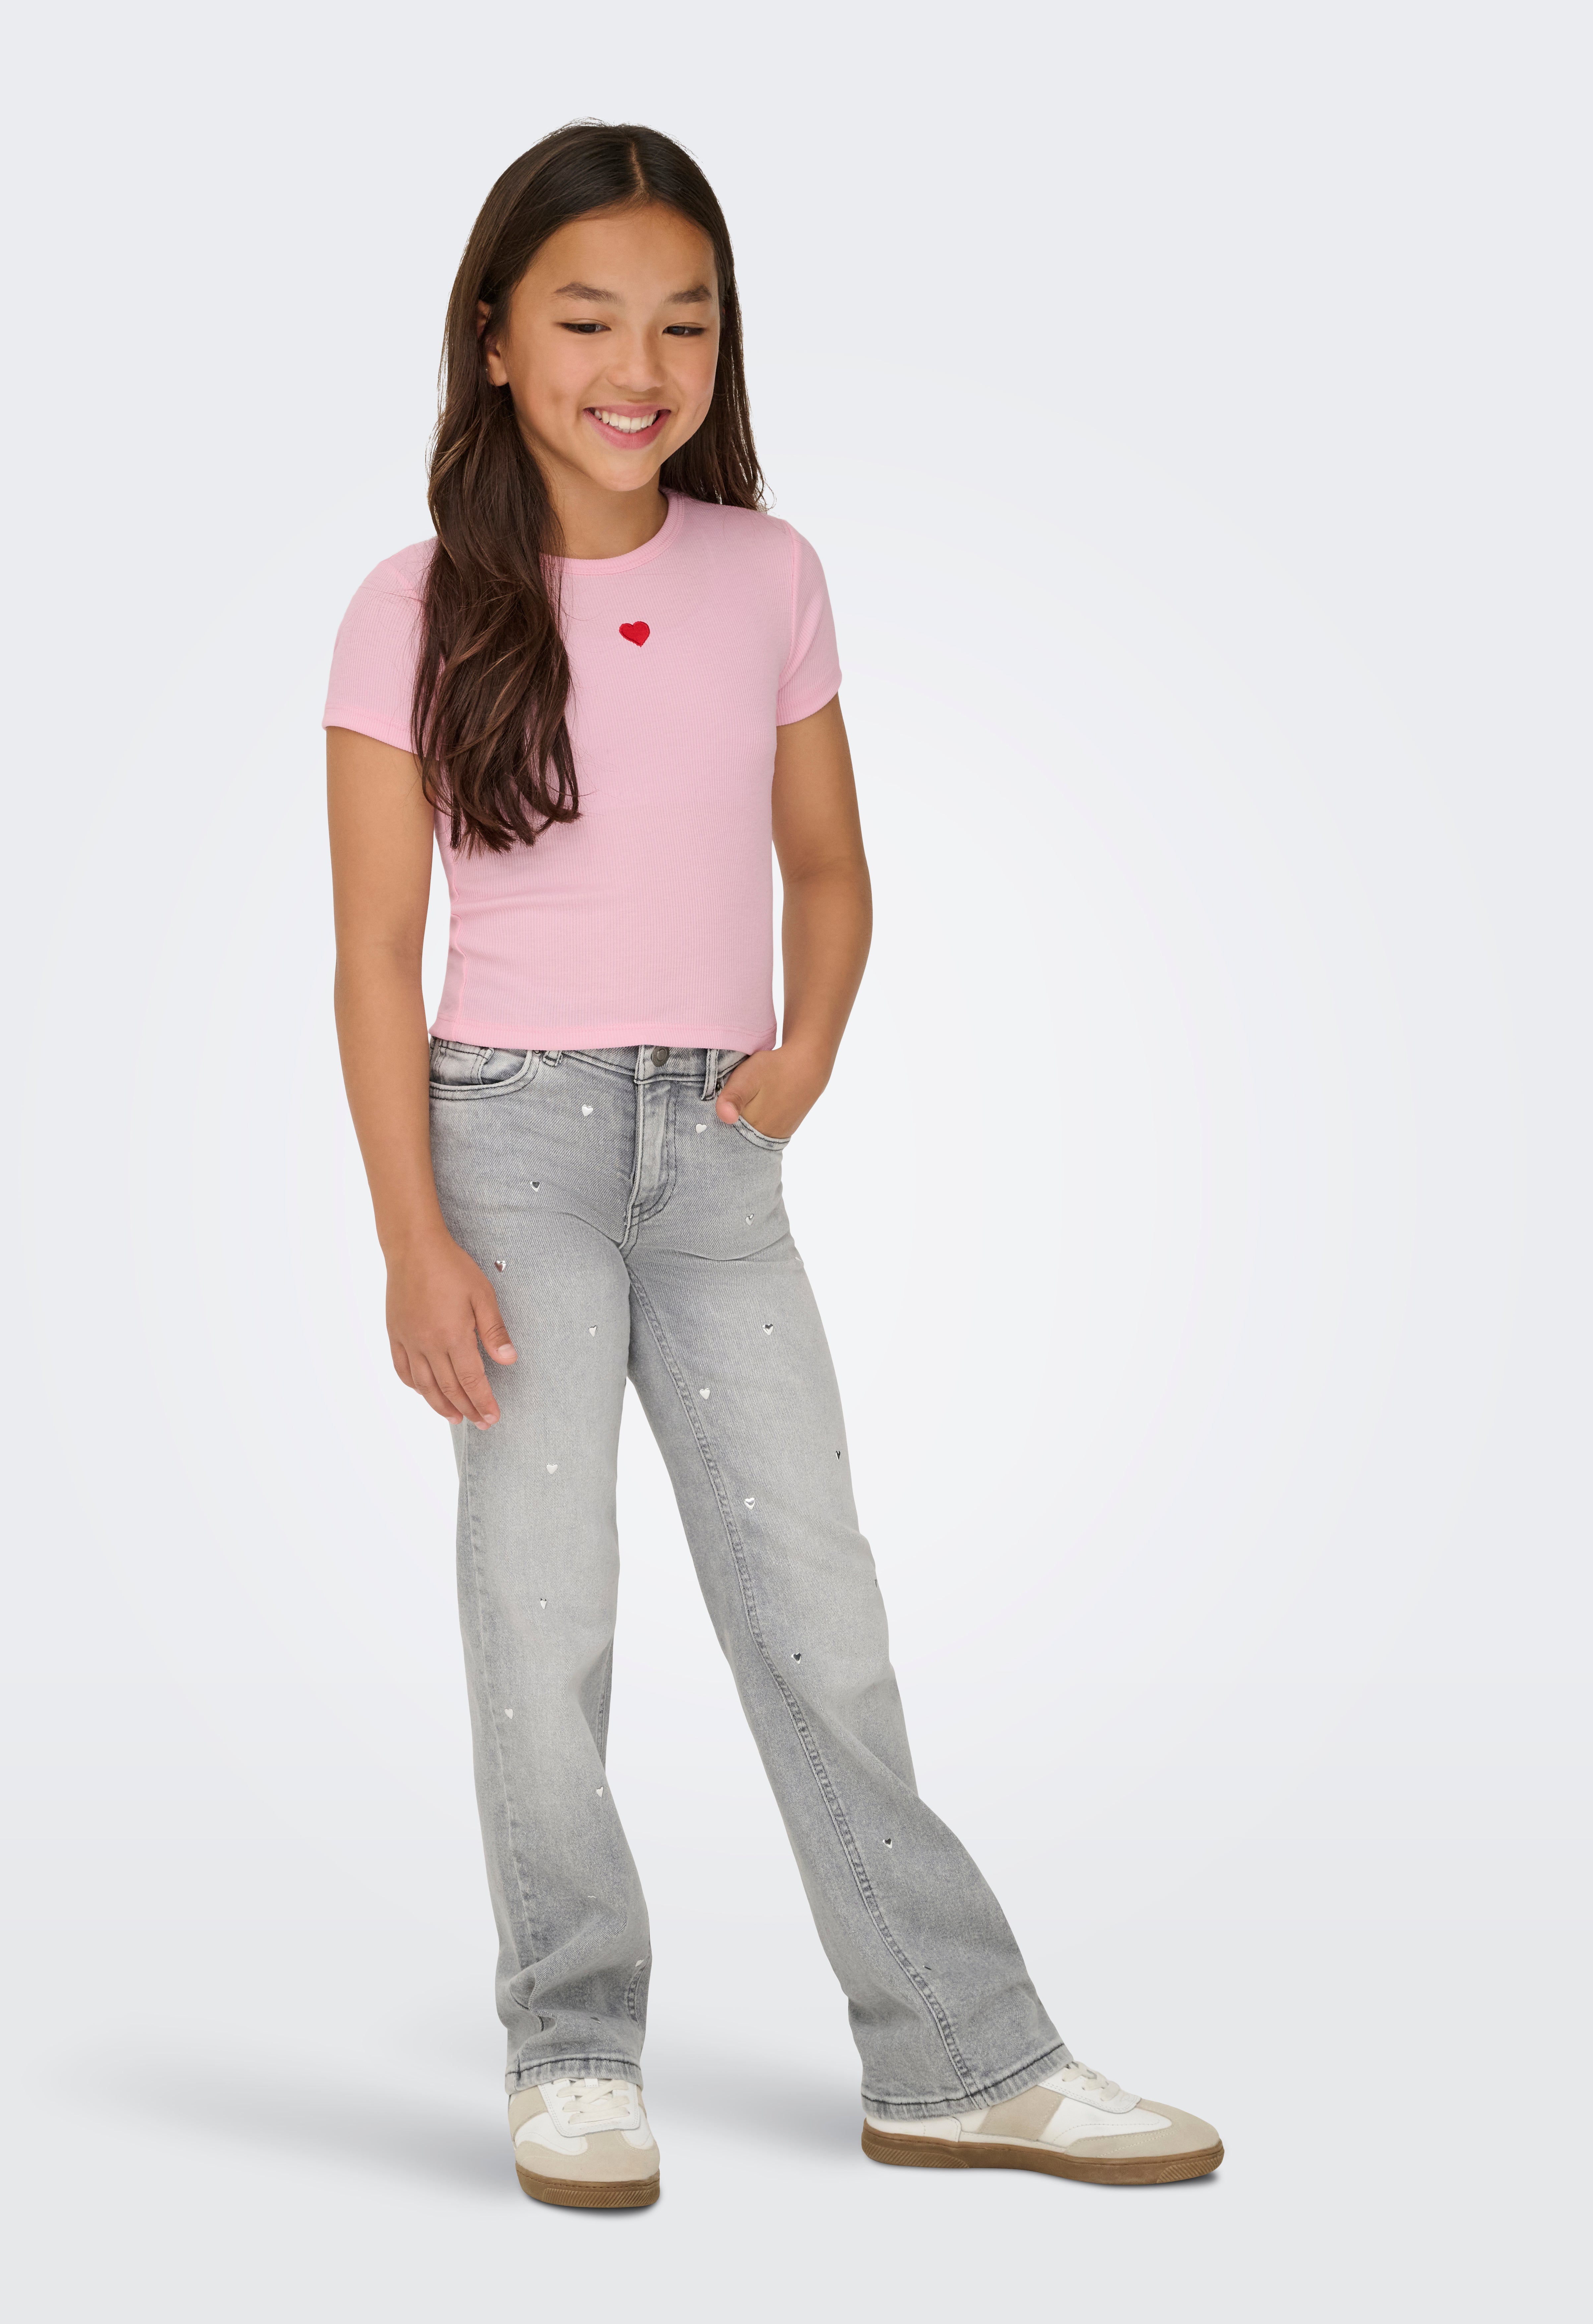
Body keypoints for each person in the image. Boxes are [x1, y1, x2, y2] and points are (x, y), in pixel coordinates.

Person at [324, 119, 1222, 2210]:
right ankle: (571, 2048)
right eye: (585, 321)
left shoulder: (769, 573)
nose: (636, 367)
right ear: (491, 338)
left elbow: (824, 861)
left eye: (684, 323)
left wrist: (804, 1052)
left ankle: (955, 2061)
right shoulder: (412, 604)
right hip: (510, 1145)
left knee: (818, 1615)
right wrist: (409, 1238)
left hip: (717, 1165)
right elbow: (372, 950)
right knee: (543, 1616)